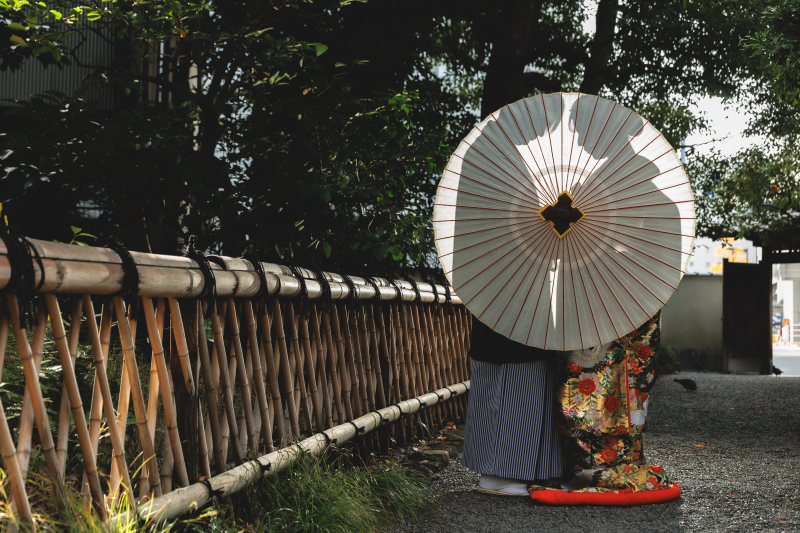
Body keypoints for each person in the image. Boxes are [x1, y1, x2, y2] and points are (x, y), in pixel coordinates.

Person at [529, 311, 675, 497]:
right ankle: (609, 467)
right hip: (617, 326)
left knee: (579, 382)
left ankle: (576, 471)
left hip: (580, 324)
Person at [461, 318, 563, 496]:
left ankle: (536, 472)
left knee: (537, 383)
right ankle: (497, 475)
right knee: (507, 387)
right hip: (505, 323)